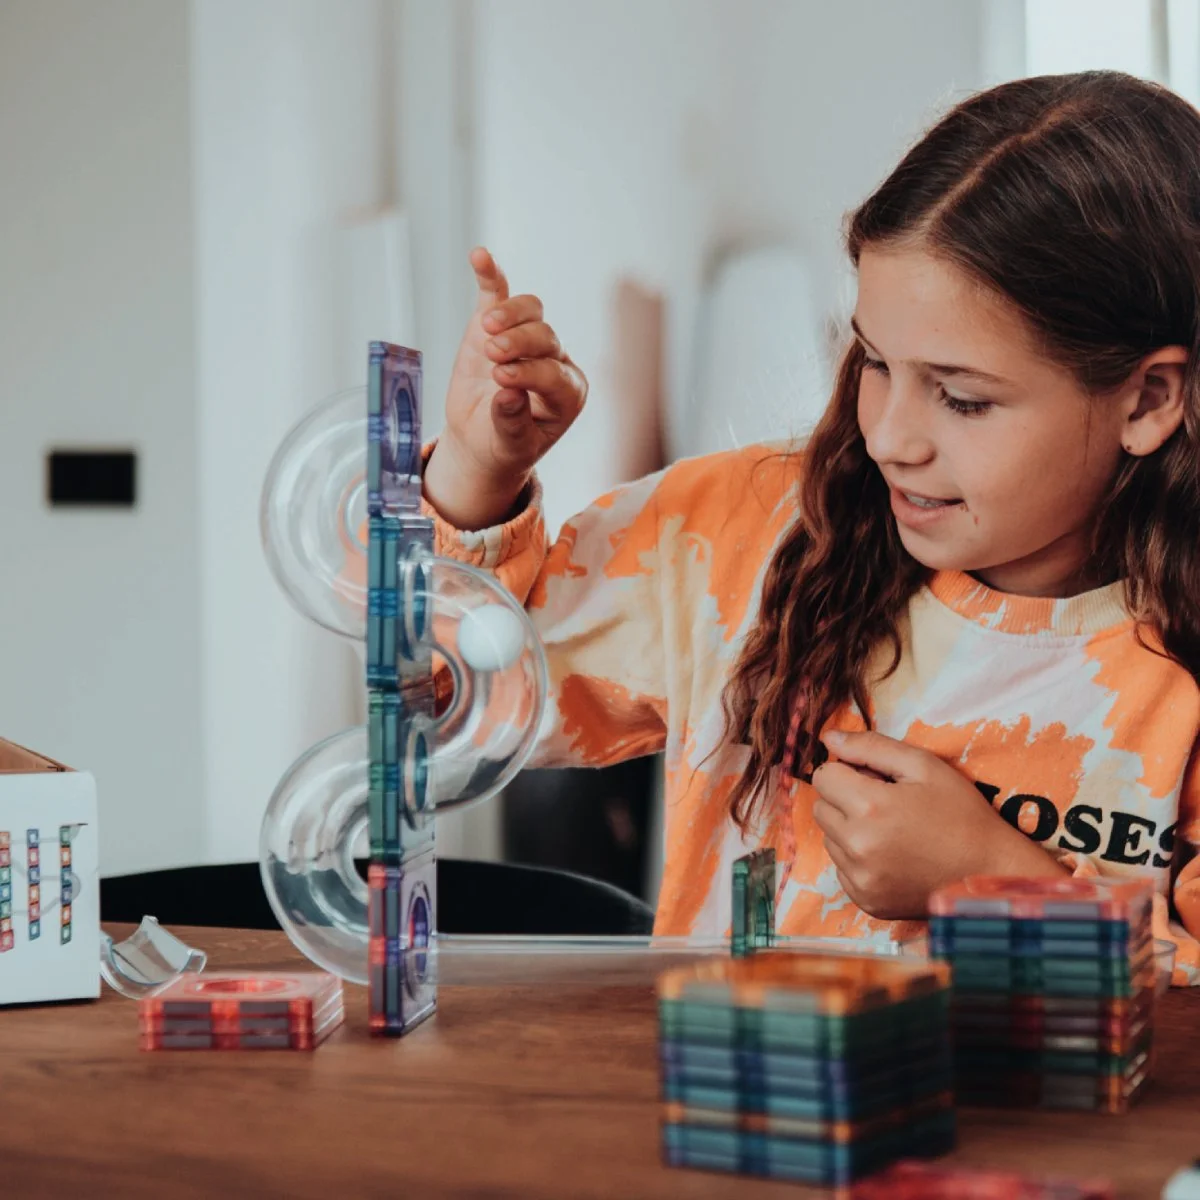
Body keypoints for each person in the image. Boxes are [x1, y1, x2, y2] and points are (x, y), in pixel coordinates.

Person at [420, 71, 1200, 979]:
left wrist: (994, 882)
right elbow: (452, 702)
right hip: (725, 1073)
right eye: (874, 362)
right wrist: (480, 473)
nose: (890, 438)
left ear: (1148, 399)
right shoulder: (742, 534)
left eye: (961, 398)